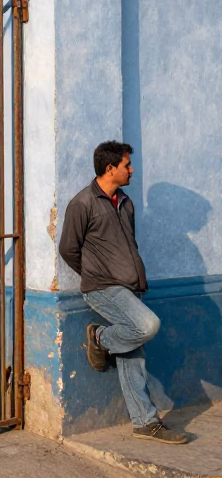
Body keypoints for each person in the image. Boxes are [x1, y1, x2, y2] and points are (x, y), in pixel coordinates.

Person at [59, 141, 189, 444]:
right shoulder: (82, 204)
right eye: (126, 165)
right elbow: (68, 249)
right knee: (147, 325)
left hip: (130, 289)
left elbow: (128, 245)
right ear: (110, 168)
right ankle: (100, 338)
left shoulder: (126, 202)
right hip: (103, 288)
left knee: (133, 357)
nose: (131, 170)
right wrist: (95, 274)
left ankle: (145, 422)